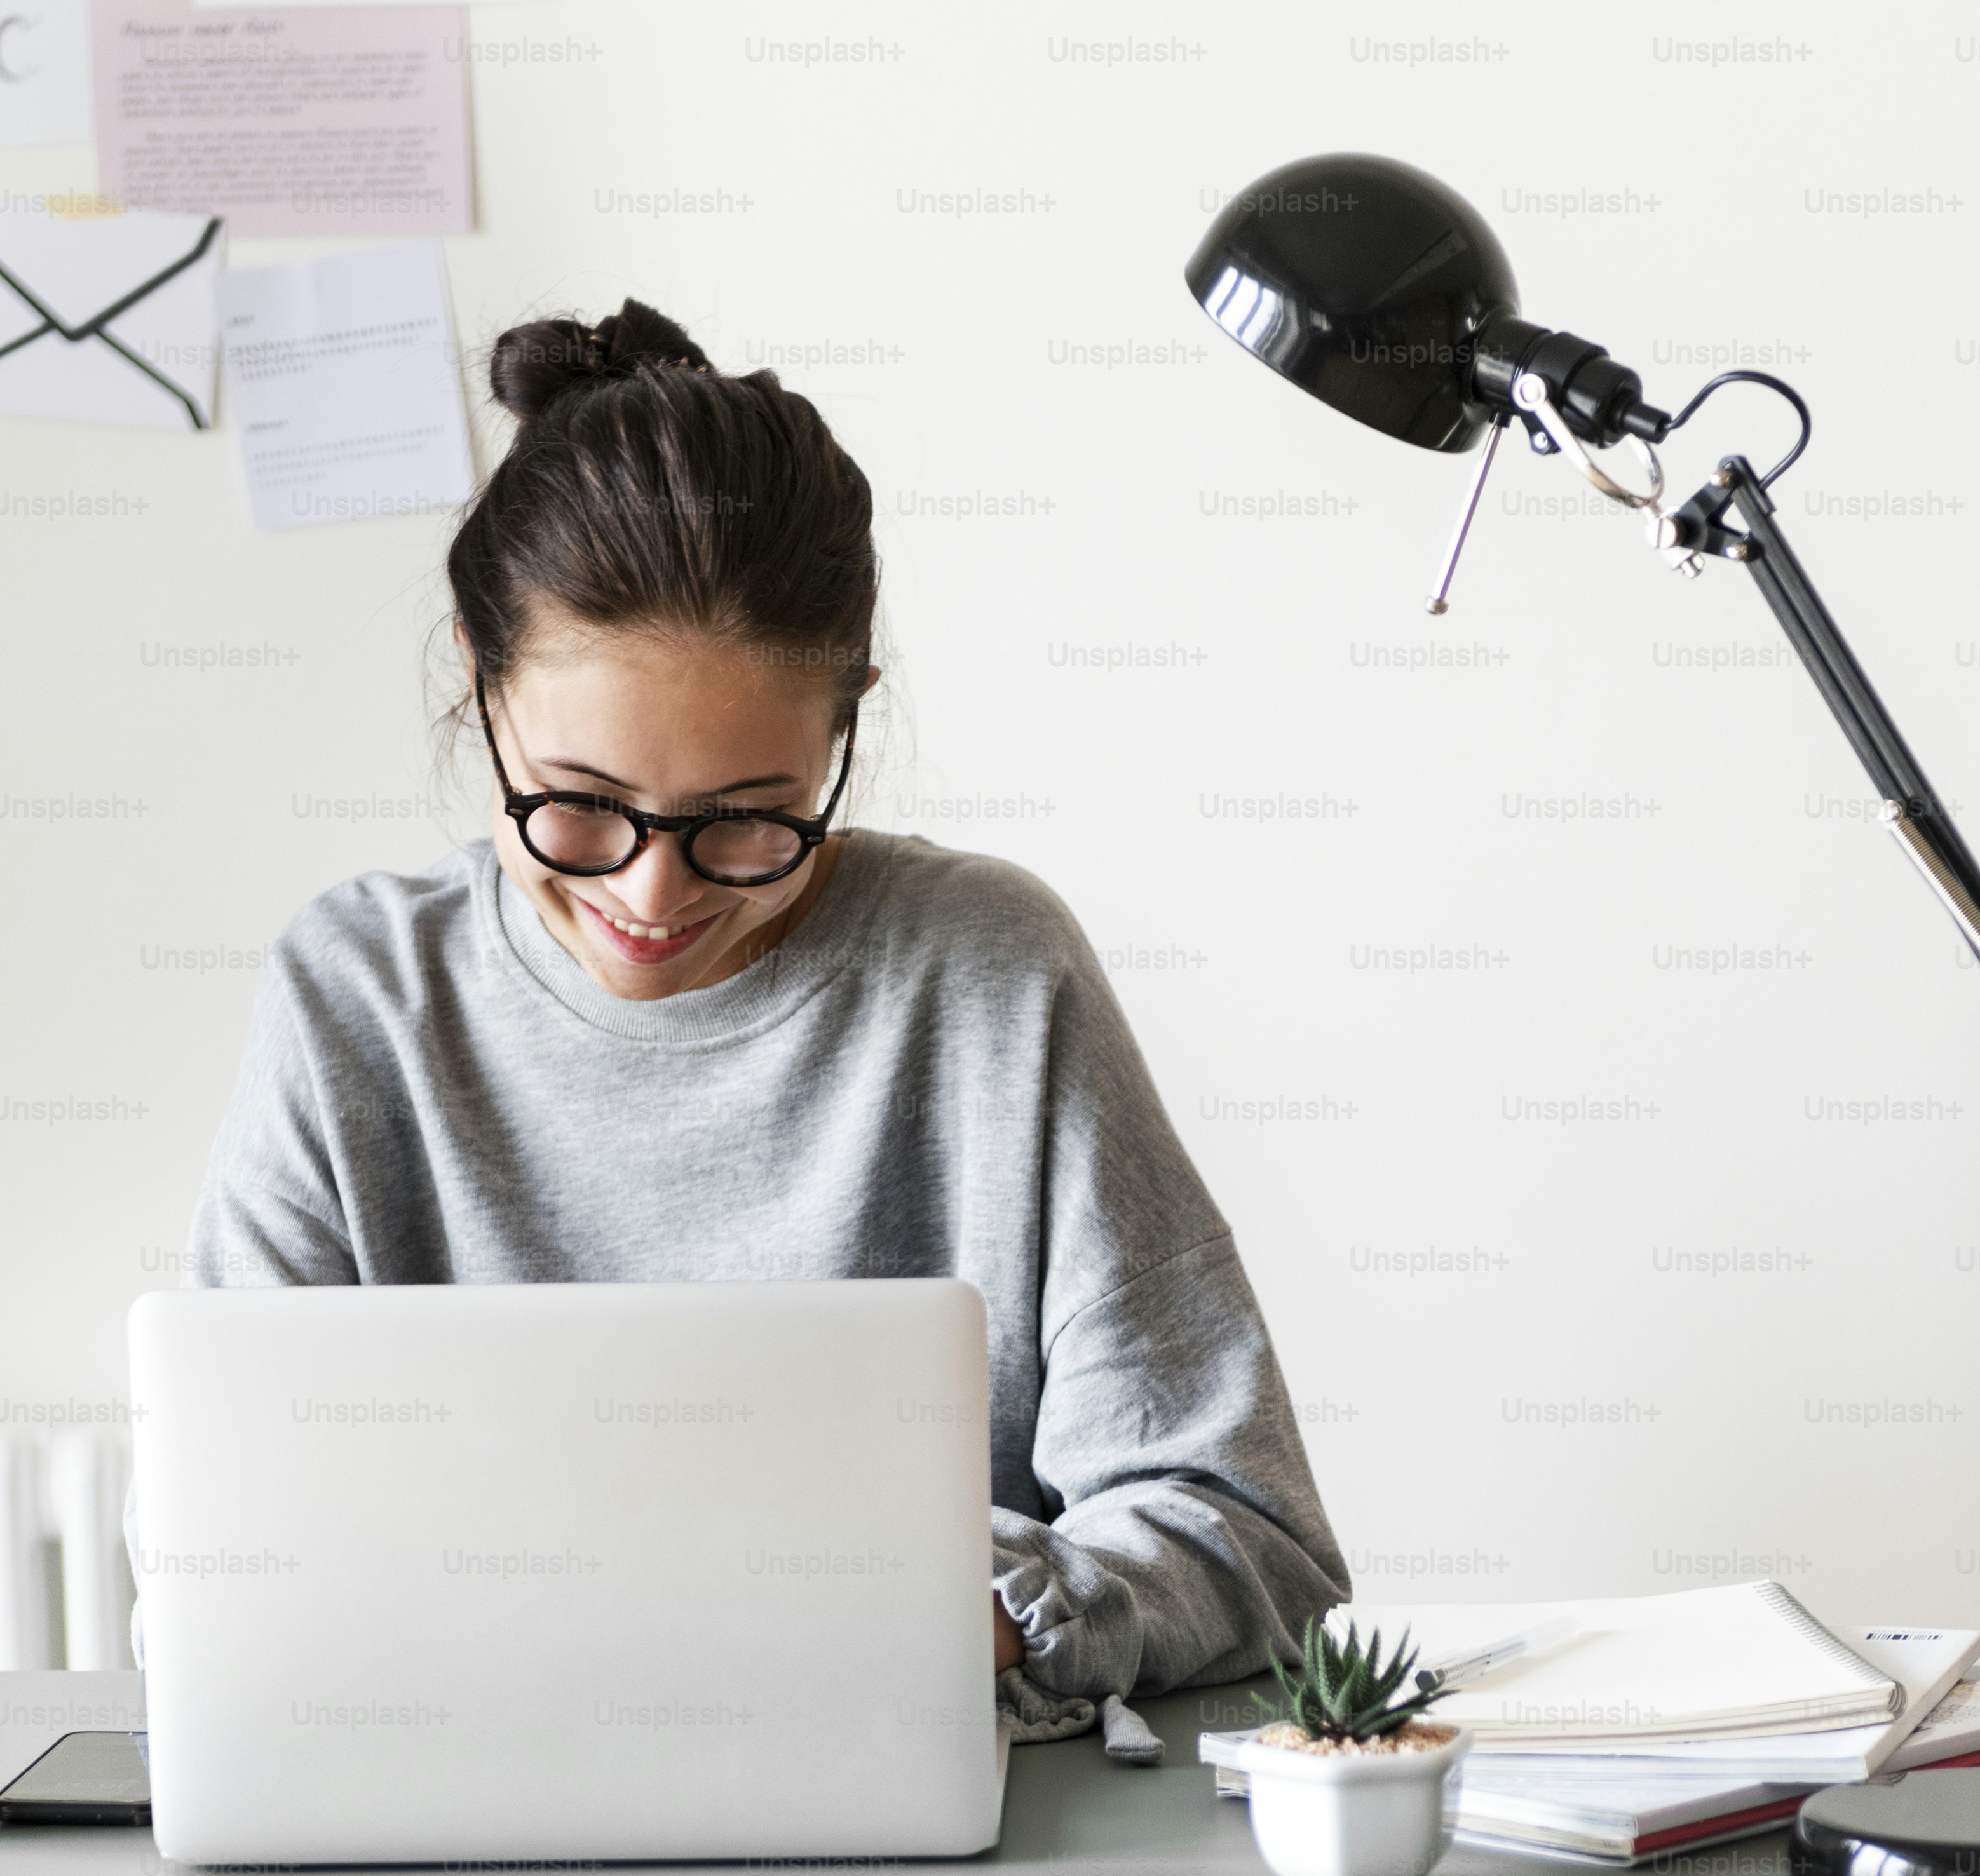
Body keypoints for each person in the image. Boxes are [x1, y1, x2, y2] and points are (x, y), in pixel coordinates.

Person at [183, 298, 1347, 1722]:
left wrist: (965, 1617)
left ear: (843, 729)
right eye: (578, 807)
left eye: (748, 822)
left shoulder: (989, 977)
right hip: (448, 1816)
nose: (655, 894)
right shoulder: (354, 1000)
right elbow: (220, 1547)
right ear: (479, 689)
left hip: (927, 1864)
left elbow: (1250, 1535)